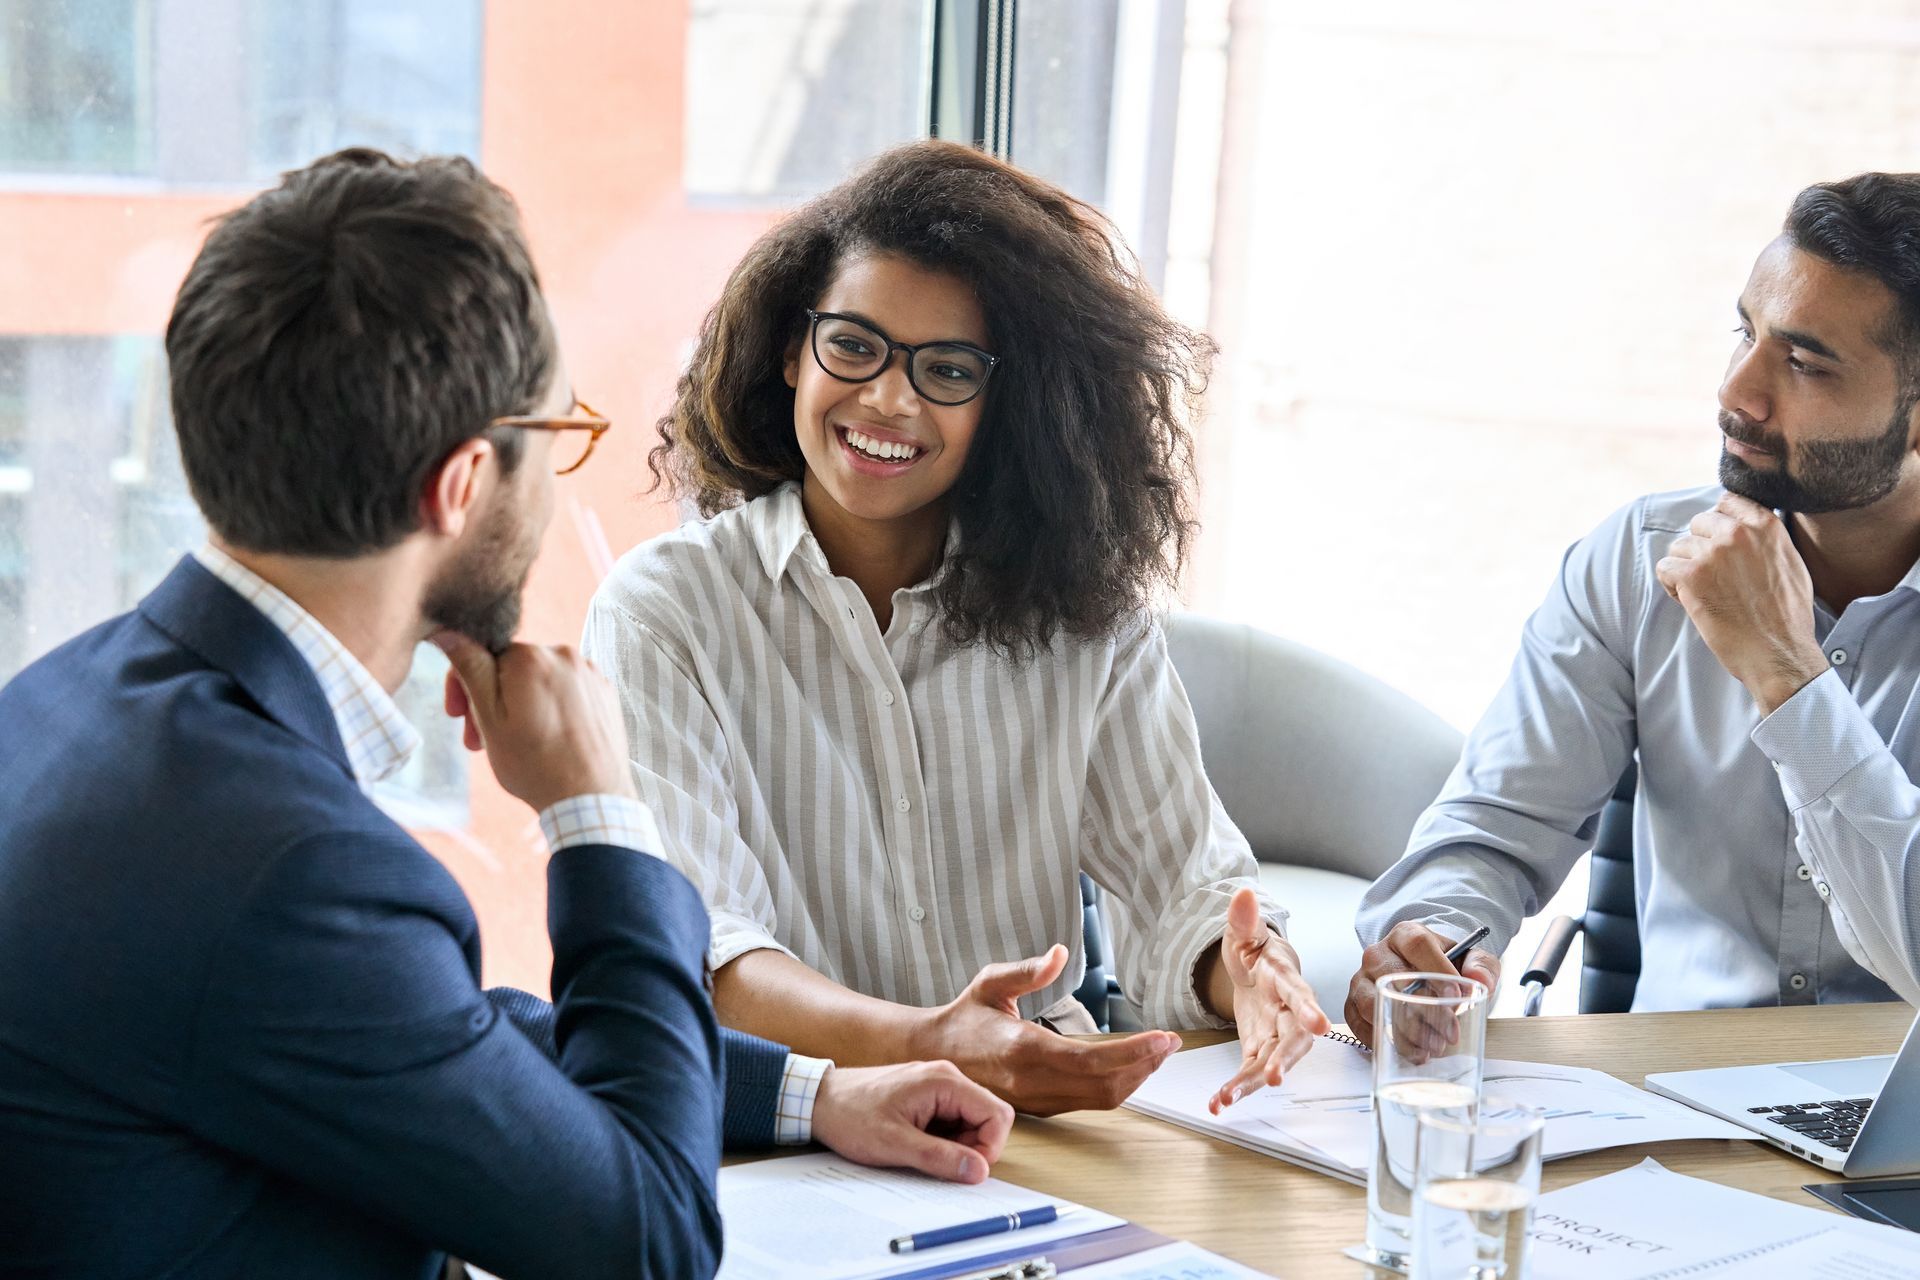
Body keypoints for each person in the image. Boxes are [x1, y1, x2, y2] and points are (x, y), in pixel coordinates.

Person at [0, 149, 1011, 1280]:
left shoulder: (60, 707)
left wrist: (812, 1090)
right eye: (558, 433)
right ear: (464, 480)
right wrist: (598, 812)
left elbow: (418, 1032)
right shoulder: (285, 866)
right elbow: (650, 1241)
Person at [584, 139, 1327, 1119]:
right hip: (790, 1127)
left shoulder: (1085, 615)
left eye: (946, 369)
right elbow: (703, 949)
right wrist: (935, 1043)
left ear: (1005, 403)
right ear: (789, 350)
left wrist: (1252, 968)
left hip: (1041, 1124)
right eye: (852, 345)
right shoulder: (663, 613)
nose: (888, 398)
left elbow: (1188, 894)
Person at [1347, 172, 1920, 1045]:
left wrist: (1789, 680)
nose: (1738, 393)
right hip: (1674, 1117)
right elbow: (1497, 831)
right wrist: (1432, 937)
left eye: (1804, 363)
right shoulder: (1639, 558)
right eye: (1746, 333)